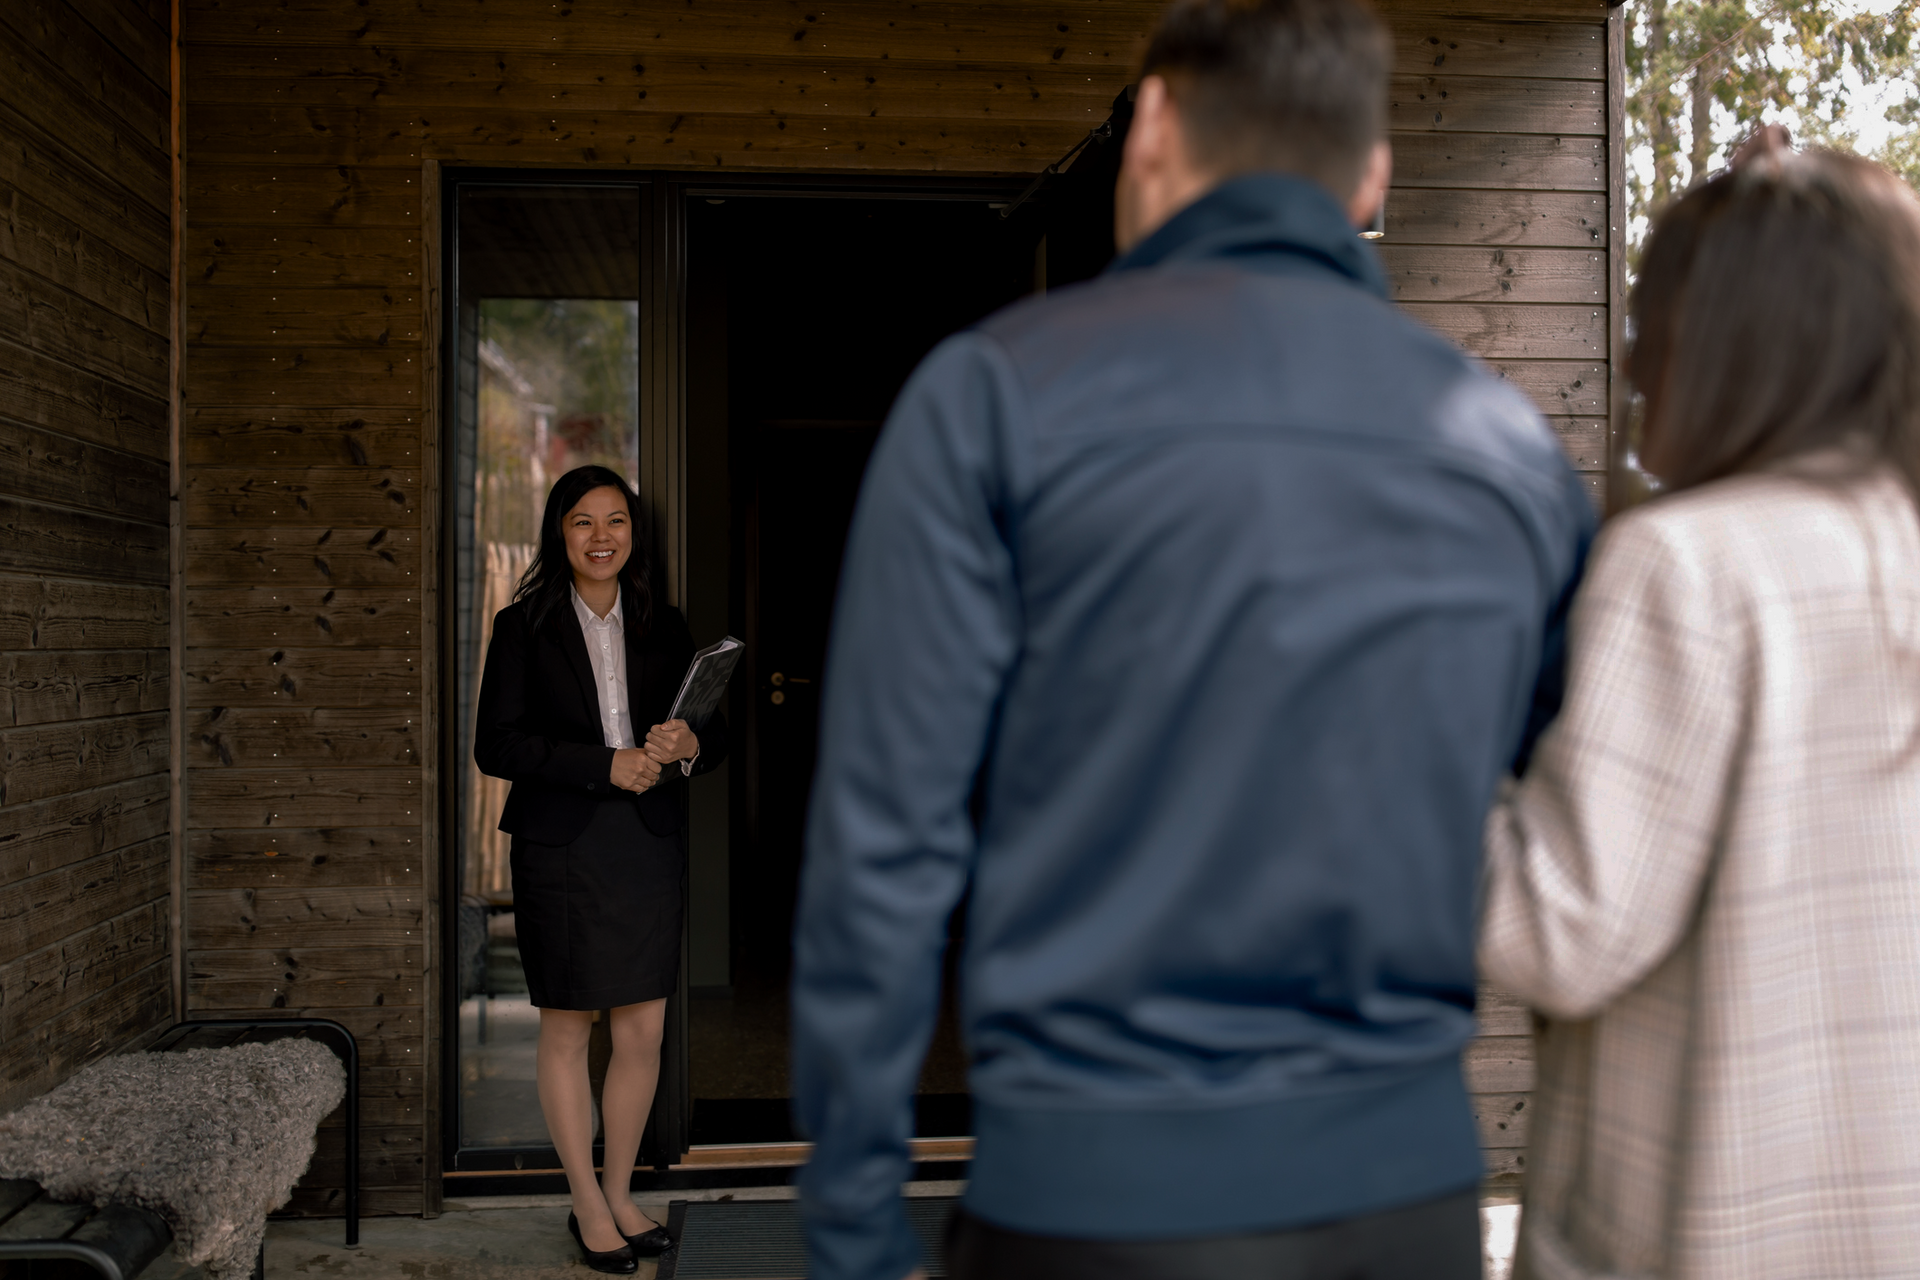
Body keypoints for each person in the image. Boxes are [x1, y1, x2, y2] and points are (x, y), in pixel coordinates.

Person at [788, 2, 1594, 1277]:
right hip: (1412, 1207)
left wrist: (848, 1229)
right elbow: (1597, 833)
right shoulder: (1510, 459)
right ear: (1372, 169)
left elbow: (882, 854)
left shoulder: (993, 400)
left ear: (1151, 123)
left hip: (1094, 1204)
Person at [1479, 136, 1920, 1280]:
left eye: (1646, 321)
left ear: (1725, 343)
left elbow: (1558, 926)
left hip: (1701, 1231)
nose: (1630, 363)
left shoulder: (1689, 565)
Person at [474, 464, 727, 1275]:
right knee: (568, 1027)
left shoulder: (664, 622)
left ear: (632, 533)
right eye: (582, 522)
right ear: (560, 532)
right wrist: (601, 764)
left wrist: (689, 747)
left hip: (647, 841)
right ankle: (585, 1203)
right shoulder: (523, 627)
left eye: (615, 521)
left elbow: (708, 732)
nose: (601, 537)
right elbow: (497, 746)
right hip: (564, 844)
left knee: (643, 1031)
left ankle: (619, 1194)